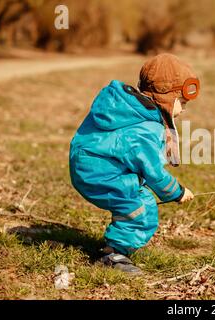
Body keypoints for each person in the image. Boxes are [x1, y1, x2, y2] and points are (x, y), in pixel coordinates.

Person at [69, 53, 199, 275]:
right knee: (139, 207)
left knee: (137, 197)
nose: (183, 110)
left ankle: (117, 244)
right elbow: (154, 173)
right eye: (182, 103)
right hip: (99, 172)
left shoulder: (130, 109)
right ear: (167, 98)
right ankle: (113, 255)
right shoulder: (145, 129)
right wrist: (176, 192)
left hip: (91, 163)